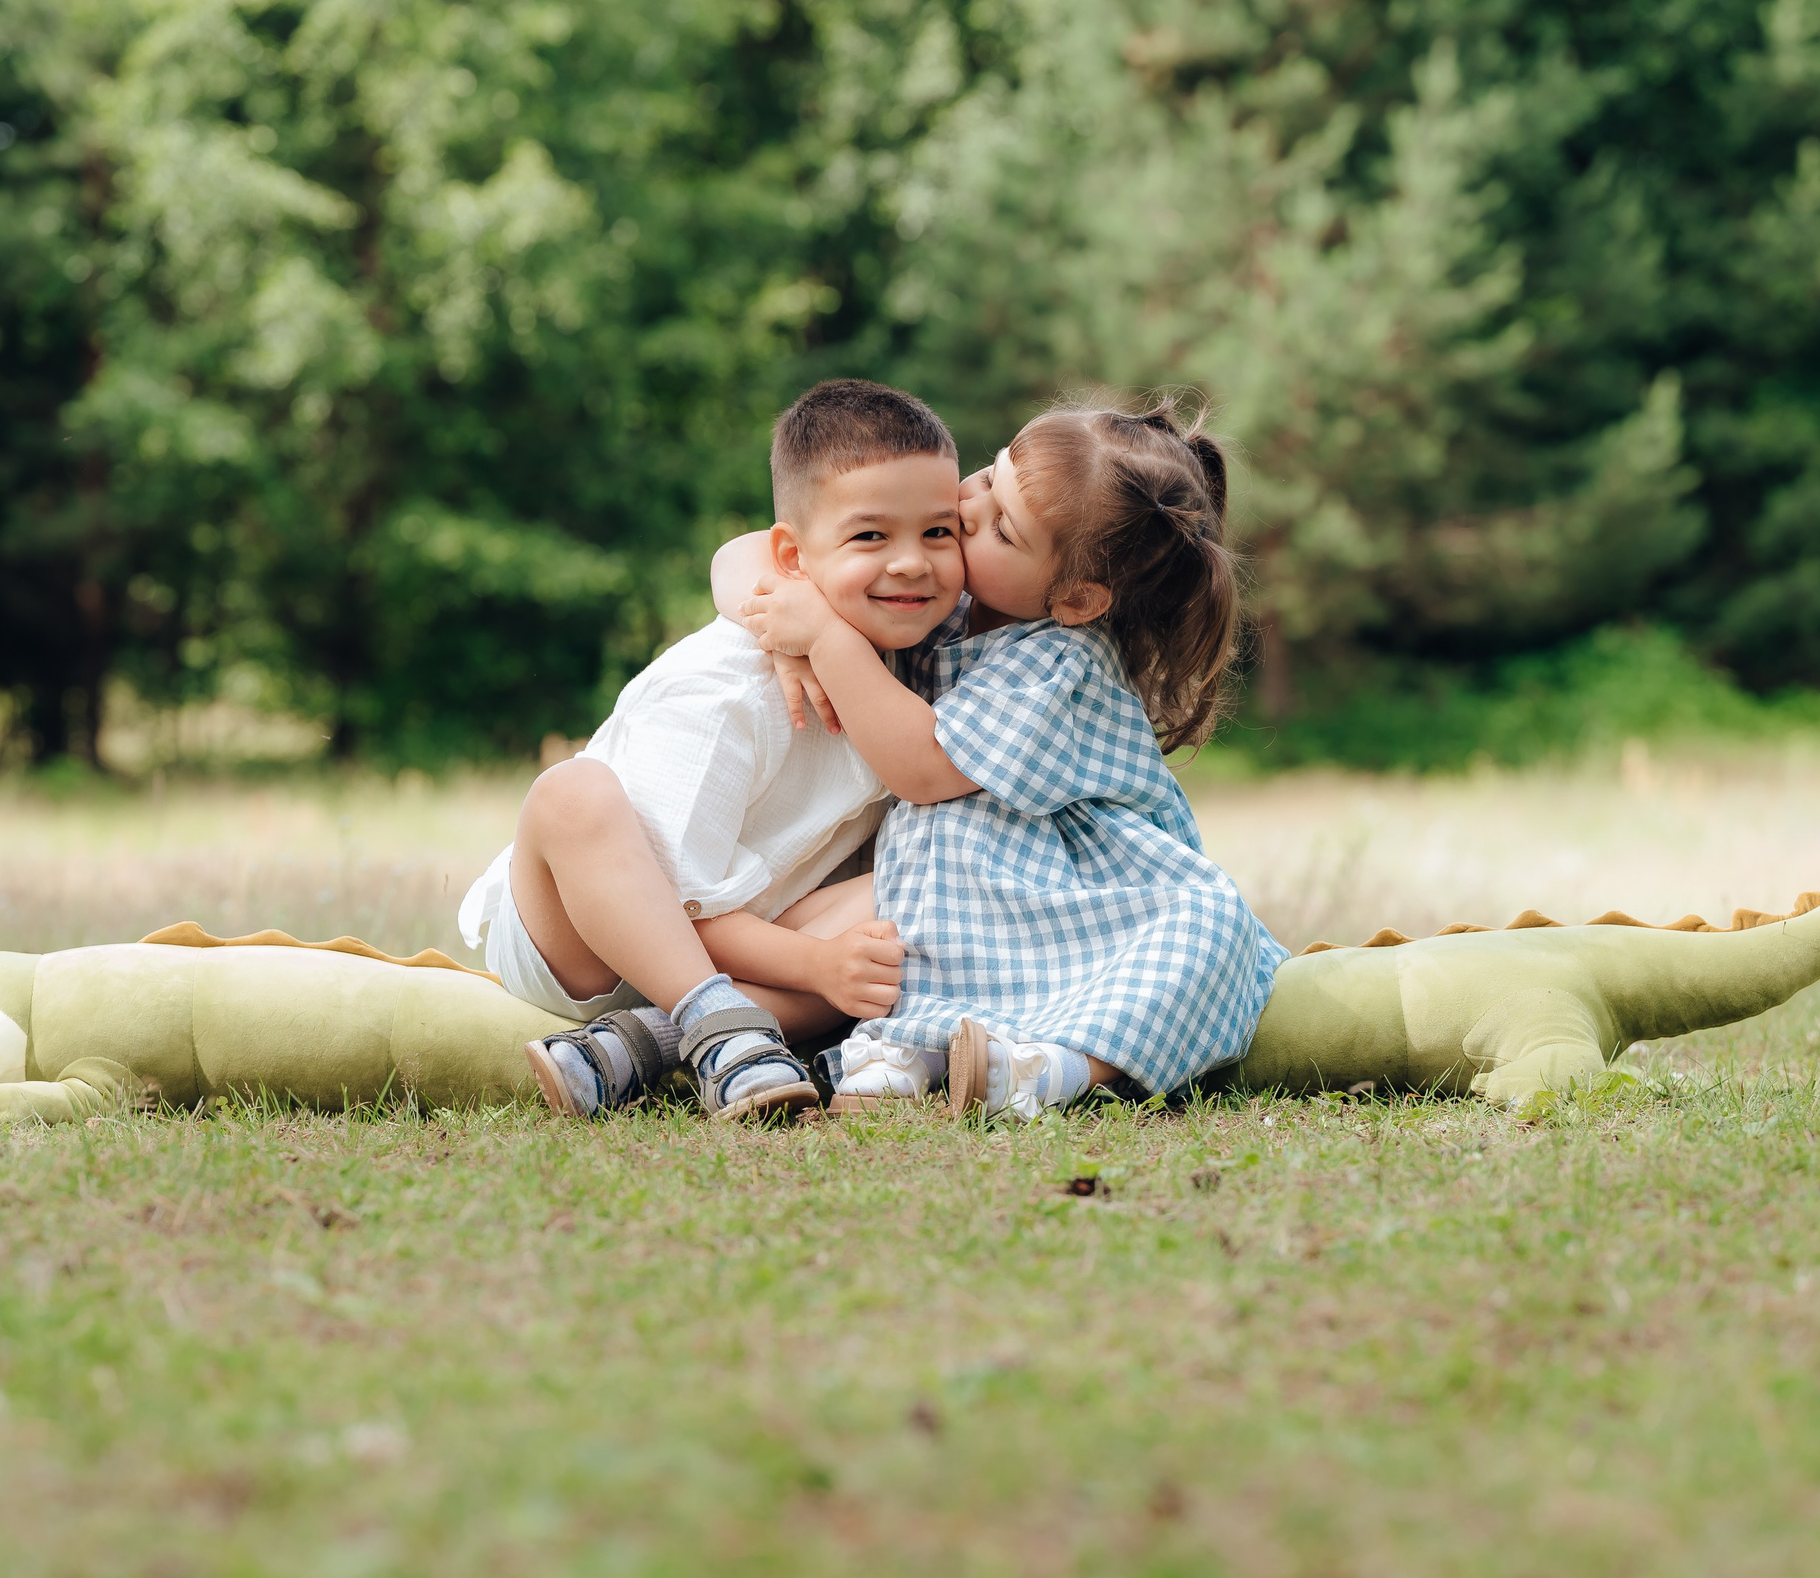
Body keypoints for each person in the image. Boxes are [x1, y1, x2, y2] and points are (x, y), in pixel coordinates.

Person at [733, 400, 1287, 1120]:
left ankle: (1049, 1070)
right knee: (837, 910)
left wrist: (825, 638)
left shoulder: (1063, 662)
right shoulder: (942, 598)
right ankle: (858, 1040)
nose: (966, 511)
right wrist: (786, 612)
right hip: (963, 886)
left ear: (1077, 598)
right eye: (988, 479)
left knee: (1208, 924)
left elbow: (924, 769)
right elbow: (751, 549)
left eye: (1001, 526)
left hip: (1085, 899)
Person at [458, 379, 966, 1121]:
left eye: (939, 531)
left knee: (933, 868)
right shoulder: (727, 689)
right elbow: (674, 899)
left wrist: (841, 965)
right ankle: (718, 1028)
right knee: (573, 792)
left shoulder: (903, 655)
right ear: (791, 557)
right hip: (588, 941)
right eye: (870, 536)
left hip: (749, 934)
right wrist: (818, 967)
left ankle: (657, 1041)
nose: (913, 563)